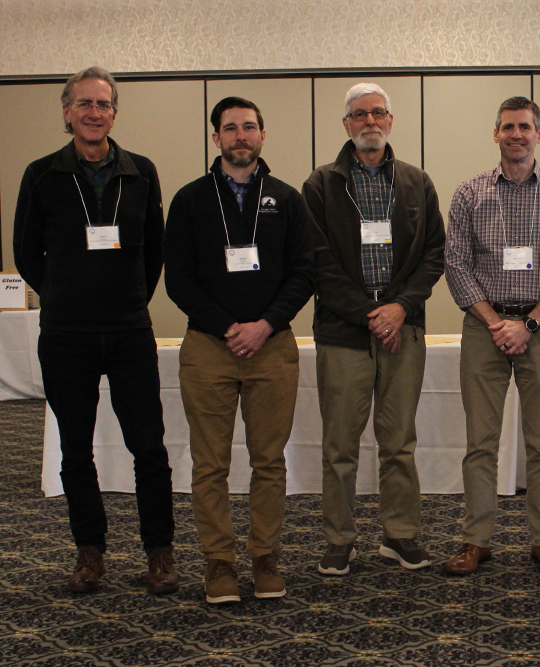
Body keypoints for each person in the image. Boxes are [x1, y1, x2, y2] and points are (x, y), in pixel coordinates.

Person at [12, 66, 178, 595]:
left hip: (129, 329)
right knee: (75, 449)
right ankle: (90, 552)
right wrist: (62, 296)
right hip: (66, 334)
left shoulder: (141, 171)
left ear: (114, 112)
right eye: (83, 104)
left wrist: (130, 296)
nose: (93, 112)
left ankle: (159, 552)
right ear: (67, 113)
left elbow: (155, 250)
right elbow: (24, 251)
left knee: (148, 446)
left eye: (102, 104)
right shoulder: (41, 174)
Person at [165, 97, 314, 603]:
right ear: (216, 139)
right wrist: (229, 326)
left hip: (272, 346)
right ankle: (219, 563)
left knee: (269, 460)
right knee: (210, 463)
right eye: (230, 129)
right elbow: (179, 279)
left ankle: (264, 555)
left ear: (263, 135)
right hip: (209, 346)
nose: (240, 136)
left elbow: (304, 273)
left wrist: (265, 325)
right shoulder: (190, 200)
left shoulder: (287, 199)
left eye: (249, 127)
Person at [303, 83, 445, 576]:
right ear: (345, 125)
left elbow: (433, 254)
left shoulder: (415, 182)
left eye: (378, 113)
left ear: (390, 120)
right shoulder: (320, 185)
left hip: (403, 329)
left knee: (399, 442)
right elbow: (318, 264)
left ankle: (400, 535)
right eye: (359, 115)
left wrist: (400, 308)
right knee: (339, 445)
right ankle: (339, 538)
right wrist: (371, 313)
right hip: (345, 333)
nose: (370, 122)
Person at [444, 96, 540, 575]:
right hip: (484, 327)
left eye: (526, 126)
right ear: (497, 133)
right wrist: (495, 323)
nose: (517, 134)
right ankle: (475, 540)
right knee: (480, 443)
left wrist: (526, 325)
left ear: (539, 134)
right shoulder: (469, 194)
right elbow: (457, 266)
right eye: (508, 127)